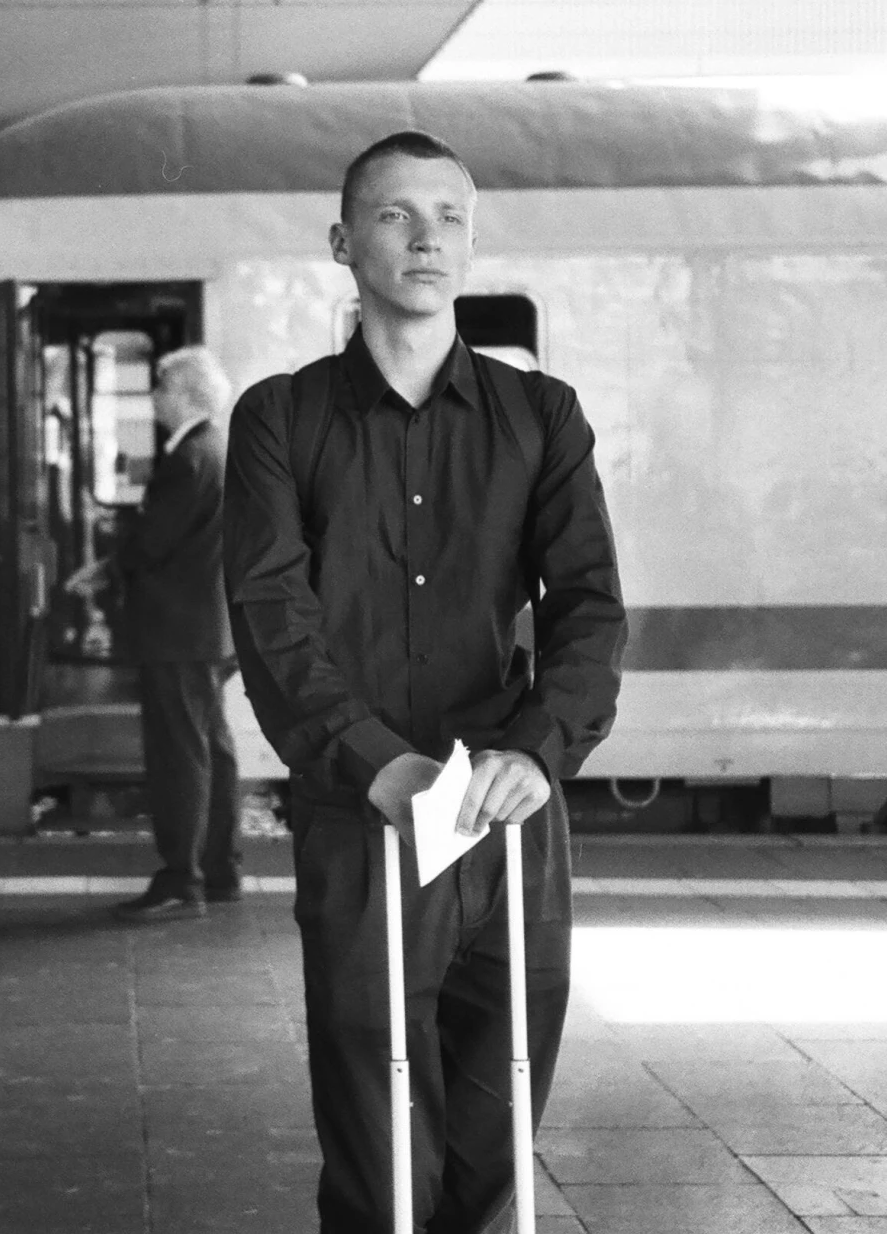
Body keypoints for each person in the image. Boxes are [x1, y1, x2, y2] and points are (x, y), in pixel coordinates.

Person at [223, 130, 625, 1234]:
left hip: (502, 808)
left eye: (448, 216)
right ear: (342, 241)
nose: (425, 238)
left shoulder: (539, 418)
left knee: (499, 1120)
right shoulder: (280, 419)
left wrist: (536, 754)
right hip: (363, 813)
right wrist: (372, 762)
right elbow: (271, 615)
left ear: (472, 239)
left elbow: (587, 606)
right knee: (372, 1121)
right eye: (396, 215)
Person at [69, 345, 244, 922]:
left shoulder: (188, 457)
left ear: (187, 395)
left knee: (179, 755)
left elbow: (153, 541)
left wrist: (105, 569)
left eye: (162, 386)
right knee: (212, 749)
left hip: (177, 632)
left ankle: (180, 879)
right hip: (207, 630)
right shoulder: (217, 449)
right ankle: (219, 870)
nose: (155, 396)